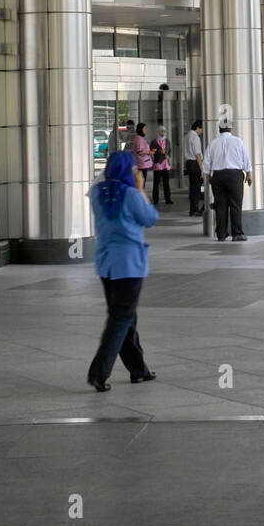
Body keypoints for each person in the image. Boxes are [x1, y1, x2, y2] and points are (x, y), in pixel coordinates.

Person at [87, 151, 159, 391]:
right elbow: (149, 218)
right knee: (120, 318)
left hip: (106, 263)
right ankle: (99, 372)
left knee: (125, 316)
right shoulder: (131, 194)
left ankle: (138, 370)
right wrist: (141, 188)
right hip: (129, 264)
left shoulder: (97, 193)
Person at [203, 121, 253, 242]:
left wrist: (208, 175)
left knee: (220, 205)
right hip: (234, 175)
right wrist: (249, 174)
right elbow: (246, 158)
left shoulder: (213, 143)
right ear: (231, 130)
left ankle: (221, 234)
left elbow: (206, 161)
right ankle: (237, 234)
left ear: (219, 130)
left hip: (218, 176)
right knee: (236, 205)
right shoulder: (238, 141)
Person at [184, 119, 204, 216]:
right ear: (198, 128)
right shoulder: (195, 137)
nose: (202, 131)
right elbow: (197, 154)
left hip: (188, 163)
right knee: (196, 188)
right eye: (201, 129)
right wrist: (202, 169)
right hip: (195, 163)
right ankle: (195, 209)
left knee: (192, 187)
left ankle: (192, 209)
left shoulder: (187, 135)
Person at [150, 125, 173, 206]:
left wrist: (168, 155)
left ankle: (168, 199)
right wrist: (159, 152)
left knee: (166, 182)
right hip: (158, 164)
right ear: (158, 132)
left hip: (166, 164)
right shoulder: (154, 141)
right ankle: (155, 199)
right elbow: (152, 152)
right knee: (156, 183)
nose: (162, 133)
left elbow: (170, 151)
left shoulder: (167, 141)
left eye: (163, 131)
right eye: (161, 131)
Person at [130, 123, 153, 194]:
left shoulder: (140, 138)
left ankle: (141, 195)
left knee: (142, 183)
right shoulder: (139, 139)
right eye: (144, 129)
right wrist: (149, 152)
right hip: (142, 164)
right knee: (141, 184)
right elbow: (140, 152)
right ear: (140, 130)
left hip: (143, 163)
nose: (146, 130)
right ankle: (140, 196)